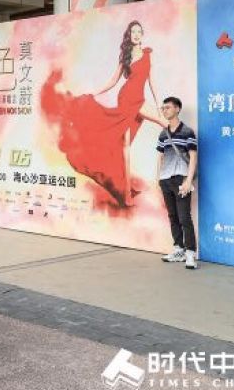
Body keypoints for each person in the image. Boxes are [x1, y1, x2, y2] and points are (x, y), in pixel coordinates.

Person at [40, 20, 165, 207]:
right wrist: (95, 93)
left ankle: (180, 166)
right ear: (129, 35)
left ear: (142, 34)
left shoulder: (148, 54)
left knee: (162, 123)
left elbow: (152, 81)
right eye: (133, 32)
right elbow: (114, 80)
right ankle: (127, 195)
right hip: (126, 99)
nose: (136, 34)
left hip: (139, 99)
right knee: (125, 147)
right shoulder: (126, 56)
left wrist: (158, 104)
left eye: (139, 31)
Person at [156, 97, 199, 269]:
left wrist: (188, 180)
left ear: (177, 109)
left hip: (181, 179)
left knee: (184, 217)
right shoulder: (163, 134)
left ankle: (190, 253)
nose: (164, 110)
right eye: (163, 108)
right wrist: (158, 178)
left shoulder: (187, 131)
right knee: (172, 216)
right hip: (166, 180)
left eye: (167, 107)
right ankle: (178, 249)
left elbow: (193, 157)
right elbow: (160, 156)